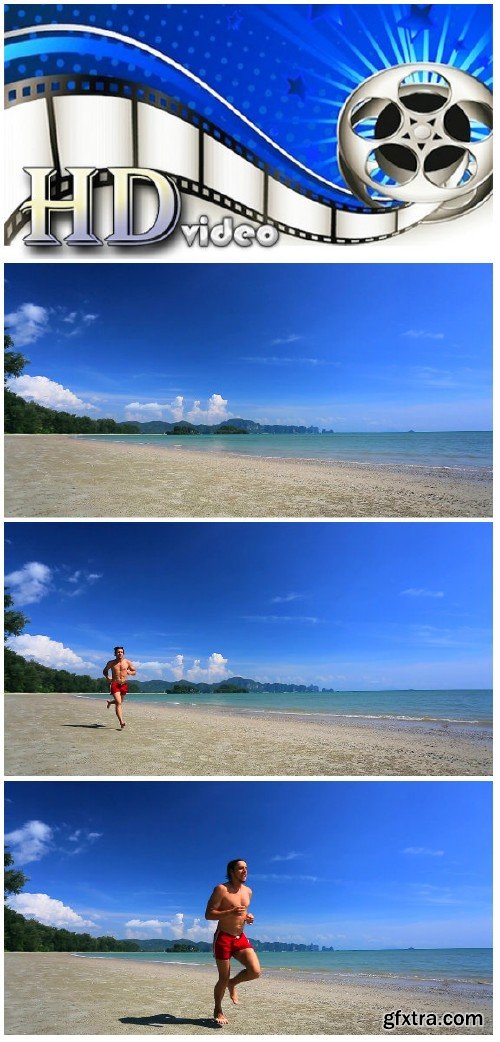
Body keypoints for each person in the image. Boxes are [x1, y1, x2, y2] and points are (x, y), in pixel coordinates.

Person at [205, 858, 261, 1026]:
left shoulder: (248, 891)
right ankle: (218, 1009)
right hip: (223, 937)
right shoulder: (221, 889)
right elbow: (209, 914)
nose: (245, 871)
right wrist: (230, 912)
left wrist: (248, 917)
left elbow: (242, 912)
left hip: (240, 936)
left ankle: (232, 984)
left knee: (255, 971)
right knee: (223, 977)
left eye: (246, 868)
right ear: (232, 871)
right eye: (241, 868)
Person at [102, 646, 136, 729]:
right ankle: (121, 721)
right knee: (119, 702)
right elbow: (105, 670)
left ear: (123, 653)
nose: (120, 653)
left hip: (124, 684)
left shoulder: (127, 662)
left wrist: (130, 672)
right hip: (114, 684)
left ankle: (110, 702)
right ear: (115, 654)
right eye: (118, 652)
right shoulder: (111, 663)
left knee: (120, 701)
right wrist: (107, 677)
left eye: (121, 652)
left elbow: (134, 671)